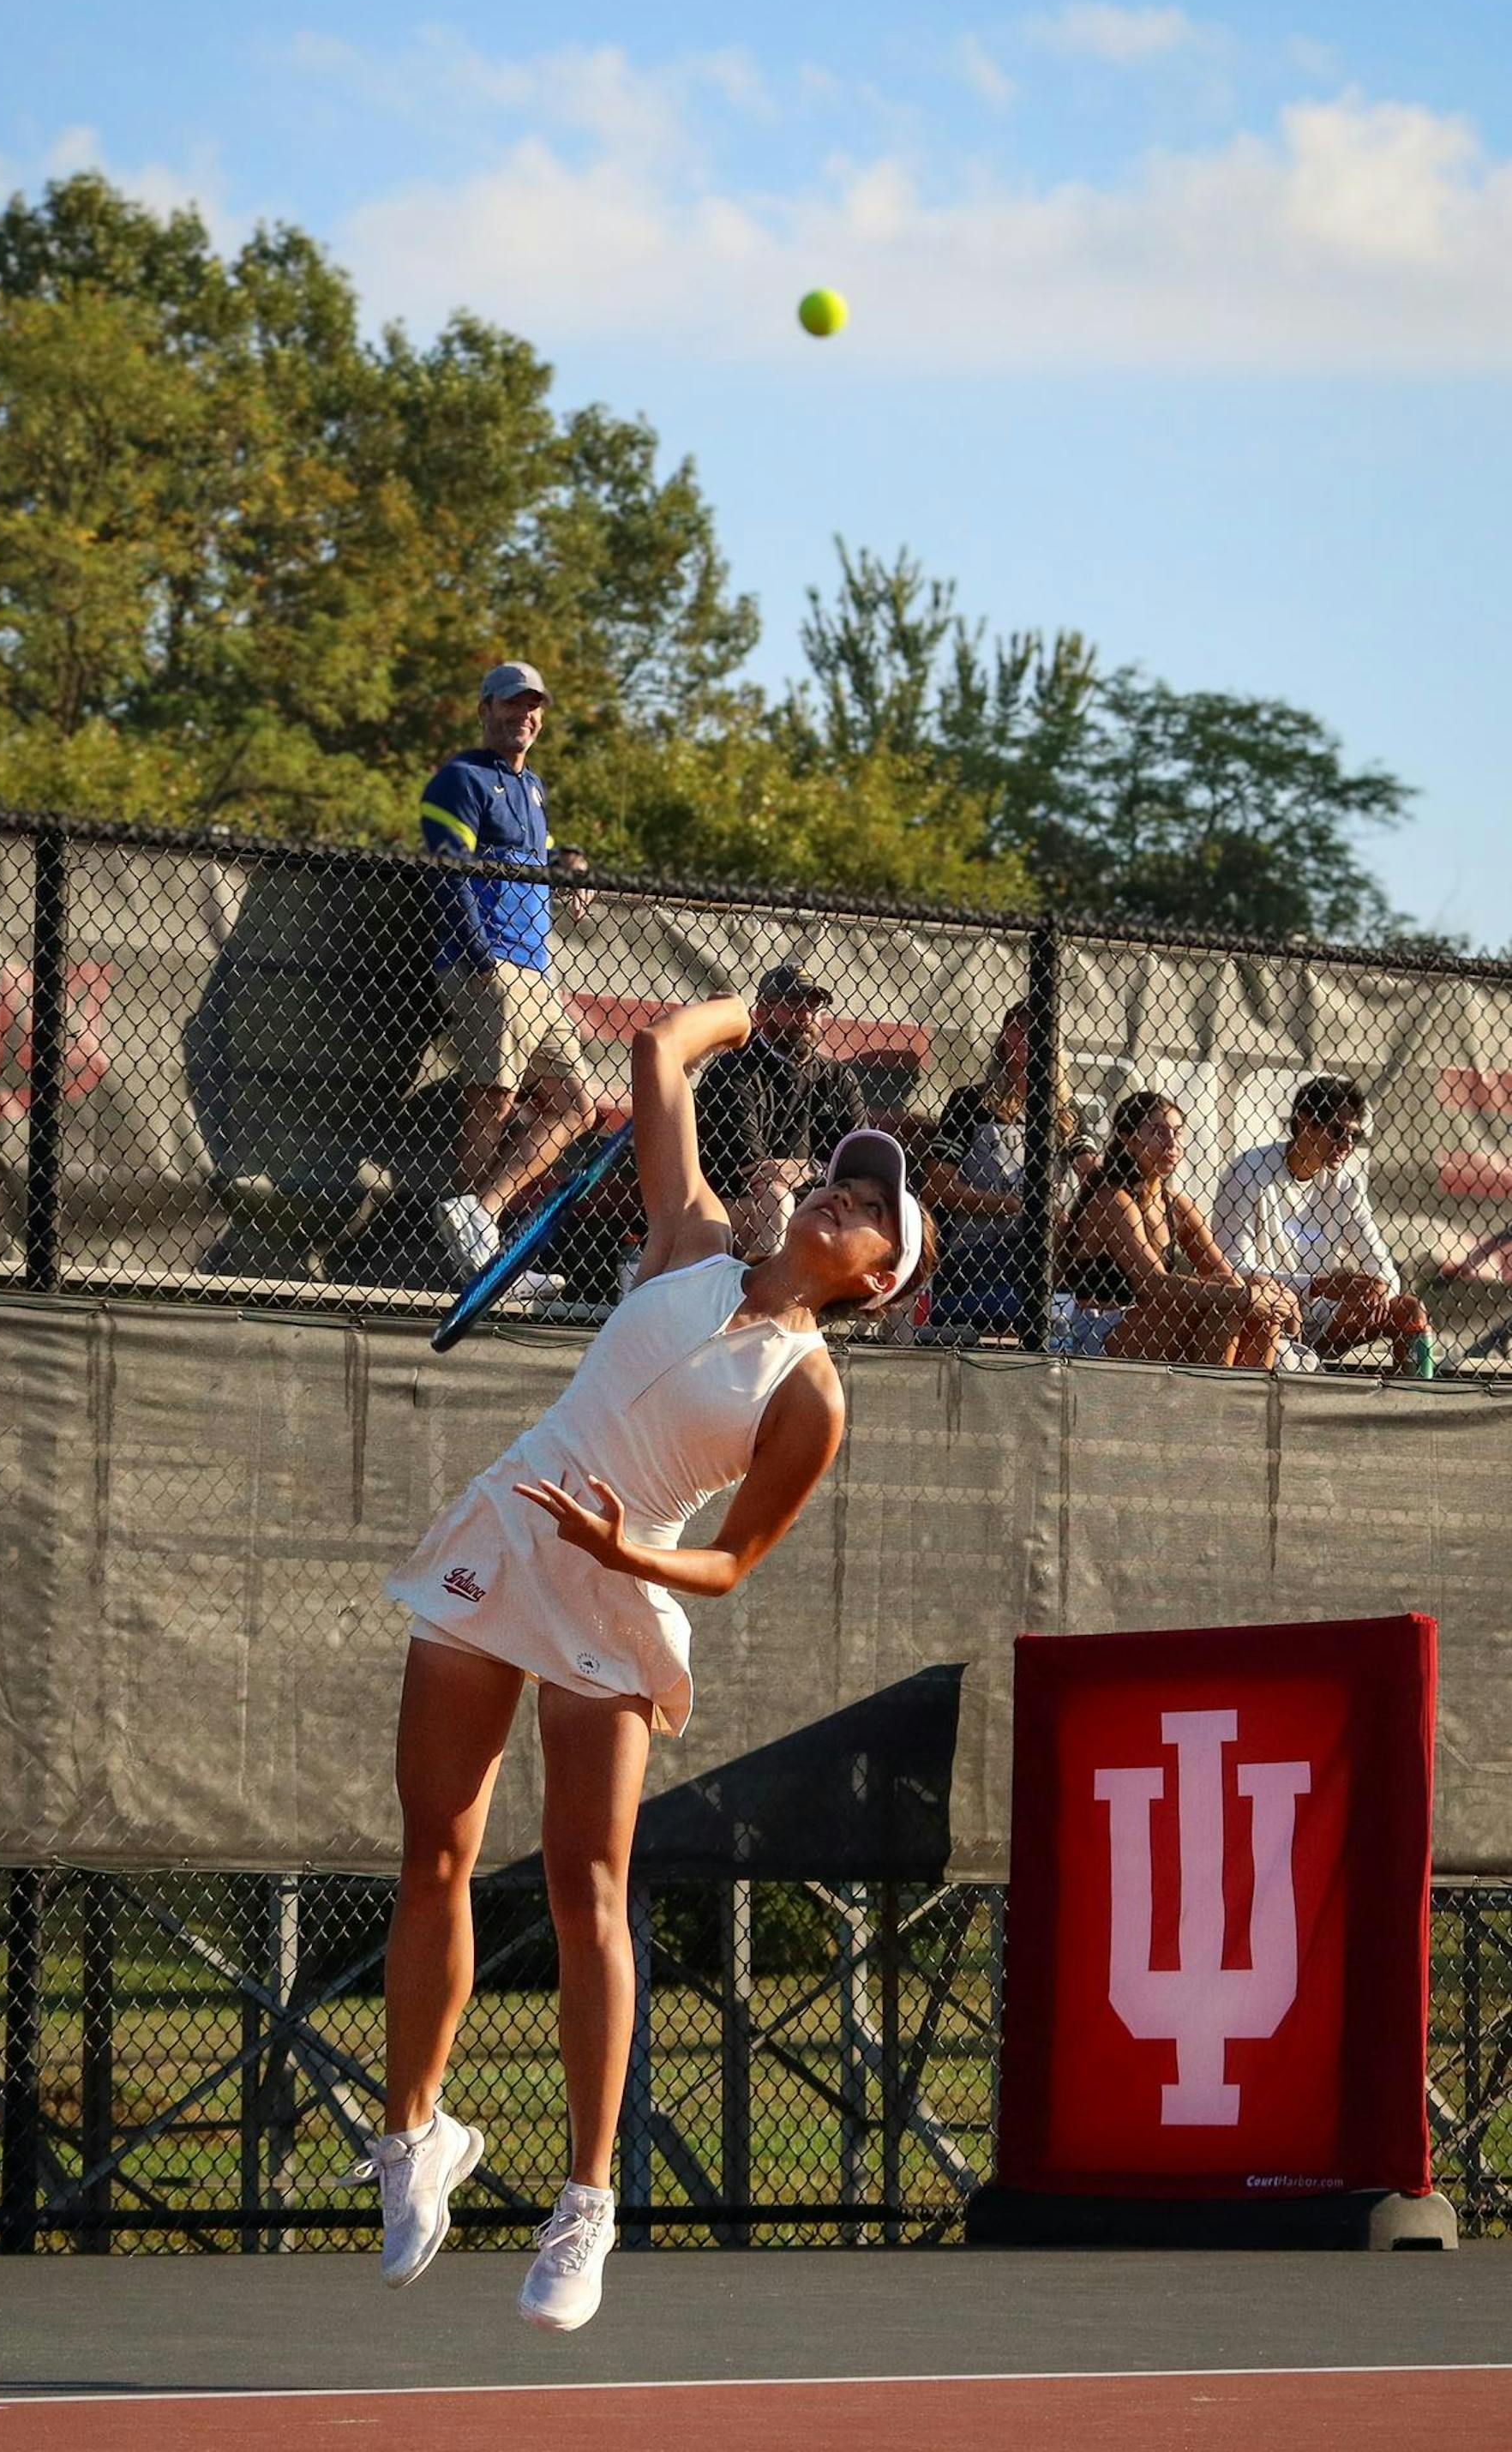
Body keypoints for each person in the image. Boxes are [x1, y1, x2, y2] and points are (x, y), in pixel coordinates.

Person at [367, 992, 936, 2332]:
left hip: (619, 1582)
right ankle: (417, 2136)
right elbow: (656, 1053)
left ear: (875, 1277)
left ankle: (586, 2203)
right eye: (840, 1178)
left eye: (869, 1206)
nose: (841, 1198)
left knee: (587, 1889)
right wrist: (747, 1010)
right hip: (509, 1527)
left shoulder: (811, 1396)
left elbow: (731, 1563)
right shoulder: (684, 1242)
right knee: (433, 1851)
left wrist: (627, 1551)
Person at [423, 664, 597, 1290]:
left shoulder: (535, 787)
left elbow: (528, 853)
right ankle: (475, 1267)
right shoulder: (459, 778)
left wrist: (567, 860)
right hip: (486, 967)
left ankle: (481, 1217)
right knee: (490, 1100)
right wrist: (479, 960)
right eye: (511, 703)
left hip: (538, 972)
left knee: (576, 1106)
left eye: (534, 705)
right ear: (485, 709)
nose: (525, 714)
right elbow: (448, 868)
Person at [1056, 1090, 1301, 1367]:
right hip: (1100, 1327)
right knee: (1227, 1300)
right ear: (1128, 1139)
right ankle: (1214, 1399)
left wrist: (1267, 1293)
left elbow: (1228, 1276)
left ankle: (1244, 1399)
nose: (1171, 1143)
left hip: (1152, 1320)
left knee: (1249, 1295)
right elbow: (1154, 1284)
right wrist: (1244, 1295)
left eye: (1178, 1133)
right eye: (1158, 1132)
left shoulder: (1176, 1204)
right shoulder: (1113, 1199)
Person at [1212, 1076, 1431, 1372]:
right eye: (1338, 1131)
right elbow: (1233, 1269)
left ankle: (1417, 1402)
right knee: (1265, 1318)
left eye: (1355, 1136)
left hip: (1323, 1315)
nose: (1347, 1144)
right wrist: (1317, 1286)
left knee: (1409, 1310)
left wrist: (1378, 1288)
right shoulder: (1249, 1172)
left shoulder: (1347, 1184)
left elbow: (1385, 1270)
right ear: (1305, 1122)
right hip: (1266, 1311)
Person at [926, 1003, 1104, 1334]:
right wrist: (1020, 1208)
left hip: (1053, 1248)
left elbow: (1092, 1173)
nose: (1028, 1037)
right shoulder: (971, 1103)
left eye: (1040, 1030)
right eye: (1019, 1028)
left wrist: (1075, 1217)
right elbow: (937, 1187)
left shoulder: (1067, 1113)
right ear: (1005, 1038)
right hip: (983, 1250)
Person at [692, 964, 869, 1260]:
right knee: (776, 1200)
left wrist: (809, 1168)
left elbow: (863, 1164)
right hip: (734, 1210)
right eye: (793, 1005)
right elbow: (756, 1174)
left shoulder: (839, 1077)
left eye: (815, 1006)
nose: (806, 1017)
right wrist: (830, 1174)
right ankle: (765, 1300)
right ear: (761, 1013)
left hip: (820, 1206)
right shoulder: (734, 1071)